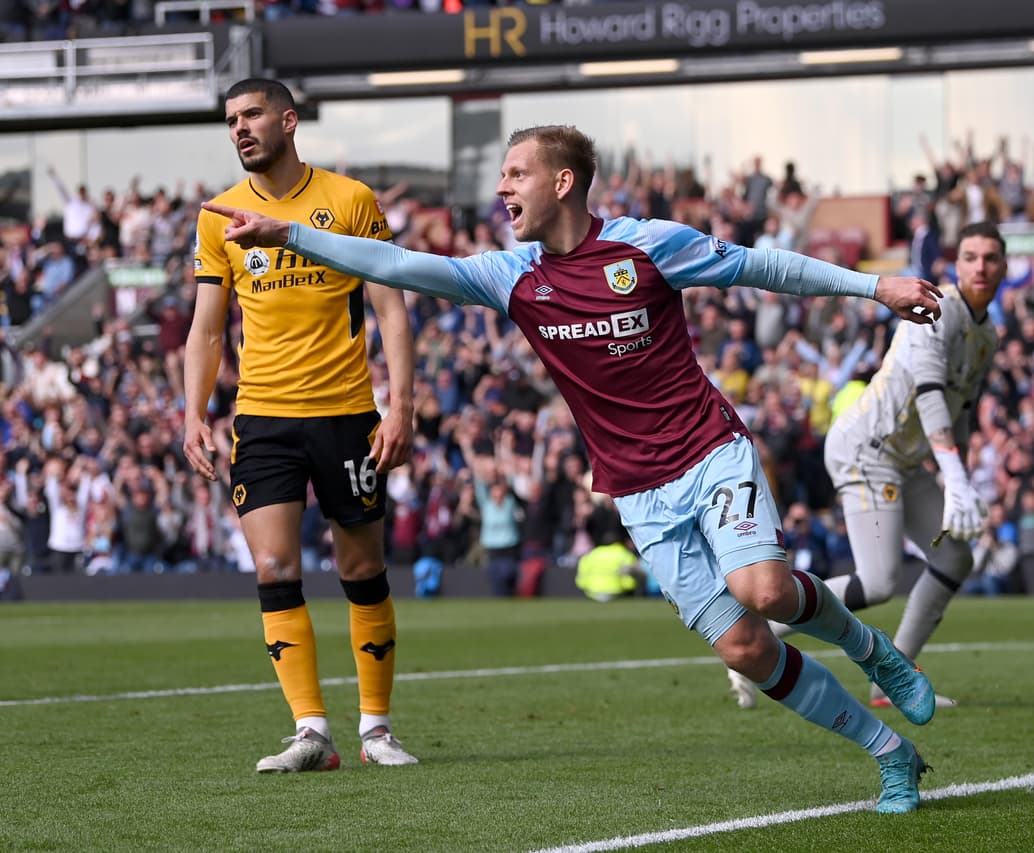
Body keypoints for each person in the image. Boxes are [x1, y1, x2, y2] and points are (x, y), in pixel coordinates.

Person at [202, 124, 945, 813]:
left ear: (563, 181)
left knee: (765, 589)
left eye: (515, 173)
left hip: (708, 451)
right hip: (639, 491)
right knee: (746, 647)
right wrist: (291, 233)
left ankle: (872, 651)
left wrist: (875, 286)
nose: (502, 190)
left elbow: (763, 267)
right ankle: (890, 753)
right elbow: (396, 264)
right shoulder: (512, 274)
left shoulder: (648, 246)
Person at [183, 78, 418, 773]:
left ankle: (377, 726)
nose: (239, 128)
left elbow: (392, 306)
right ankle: (312, 730)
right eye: (230, 120)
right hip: (261, 418)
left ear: (288, 120)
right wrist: (192, 414)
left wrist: (400, 403)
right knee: (274, 566)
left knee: (362, 565)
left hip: (347, 413)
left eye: (251, 115)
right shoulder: (216, 214)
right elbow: (205, 329)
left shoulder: (350, 200)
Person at [726, 222, 1004, 712]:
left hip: (905, 458)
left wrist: (959, 478)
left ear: (1004, 267)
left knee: (956, 557)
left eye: (991, 258)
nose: (981, 266)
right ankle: (754, 635)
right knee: (877, 582)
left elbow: (960, 411)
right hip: (867, 449)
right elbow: (932, 395)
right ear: (956, 265)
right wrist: (956, 478)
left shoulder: (988, 336)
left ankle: (893, 684)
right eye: (971, 256)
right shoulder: (938, 313)